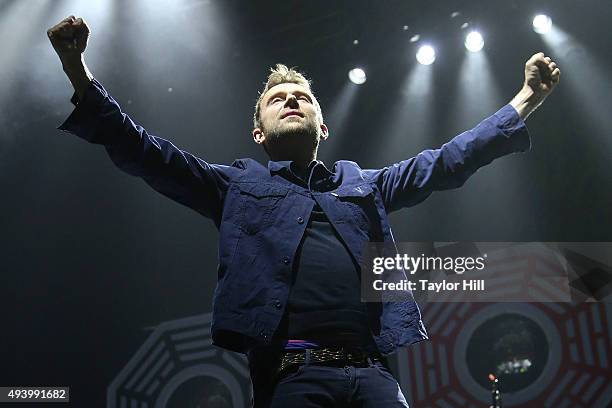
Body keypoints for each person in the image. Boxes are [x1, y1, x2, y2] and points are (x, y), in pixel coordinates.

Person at [47, 15, 560, 408]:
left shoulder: (363, 184)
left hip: (376, 376)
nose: (291, 100)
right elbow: (145, 151)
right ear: (258, 132)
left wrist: (525, 99)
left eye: (303, 98)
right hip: (293, 377)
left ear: (322, 127)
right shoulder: (235, 186)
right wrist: (77, 68)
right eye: (278, 99)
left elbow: (447, 161)